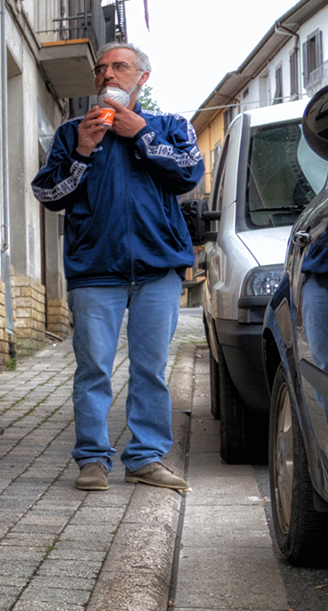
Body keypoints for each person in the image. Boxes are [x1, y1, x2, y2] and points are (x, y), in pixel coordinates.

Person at [33, 43, 203, 491]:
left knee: (150, 369)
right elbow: (48, 195)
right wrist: (83, 152)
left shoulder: (169, 126)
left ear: (141, 78)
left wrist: (141, 133)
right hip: (95, 270)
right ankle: (92, 459)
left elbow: (189, 173)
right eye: (102, 69)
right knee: (93, 370)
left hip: (158, 268)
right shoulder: (73, 131)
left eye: (120, 67)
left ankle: (145, 458)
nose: (108, 74)